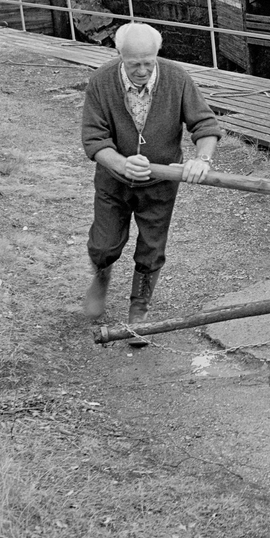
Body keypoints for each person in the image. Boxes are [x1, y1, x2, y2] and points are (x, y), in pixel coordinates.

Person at [81, 21, 223, 345]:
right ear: (120, 56)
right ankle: (101, 275)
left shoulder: (176, 78)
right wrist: (121, 164)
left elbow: (205, 125)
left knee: (151, 248)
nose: (143, 70)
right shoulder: (101, 82)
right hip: (113, 182)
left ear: (157, 54)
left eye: (149, 62)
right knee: (104, 244)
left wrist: (201, 160)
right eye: (134, 64)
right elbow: (93, 138)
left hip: (160, 184)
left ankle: (139, 309)